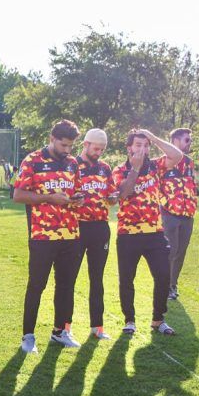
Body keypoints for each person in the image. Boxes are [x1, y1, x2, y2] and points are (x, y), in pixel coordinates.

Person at [11, 120, 83, 353]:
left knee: (66, 285)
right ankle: (28, 336)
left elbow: (76, 190)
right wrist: (50, 198)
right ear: (52, 138)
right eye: (63, 145)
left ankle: (59, 332)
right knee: (37, 285)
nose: (67, 150)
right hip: (43, 235)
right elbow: (19, 195)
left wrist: (77, 198)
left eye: (71, 146)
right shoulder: (32, 160)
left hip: (70, 234)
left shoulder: (72, 163)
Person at [111, 128, 184, 336]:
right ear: (129, 148)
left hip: (154, 233)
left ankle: (158, 320)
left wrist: (153, 137)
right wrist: (134, 169)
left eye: (145, 145)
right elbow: (123, 194)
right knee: (127, 279)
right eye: (138, 145)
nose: (142, 149)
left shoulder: (155, 167)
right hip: (128, 234)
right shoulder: (119, 170)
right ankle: (129, 321)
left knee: (163, 276)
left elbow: (177, 156)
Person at [73, 128, 118, 340]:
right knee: (69, 278)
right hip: (77, 227)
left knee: (97, 278)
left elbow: (110, 195)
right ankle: (64, 327)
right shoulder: (72, 165)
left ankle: (97, 327)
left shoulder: (105, 168)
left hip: (100, 228)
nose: (98, 152)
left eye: (102, 149)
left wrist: (113, 197)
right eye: (95, 148)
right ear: (85, 144)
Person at [159, 128, 197, 300]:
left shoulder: (189, 163)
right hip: (169, 214)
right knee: (170, 251)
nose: (189, 143)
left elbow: (191, 185)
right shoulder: (162, 163)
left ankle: (173, 285)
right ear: (175, 140)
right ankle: (164, 286)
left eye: (190, 140)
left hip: (187, 214)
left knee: (181, 251)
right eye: (186, 140)